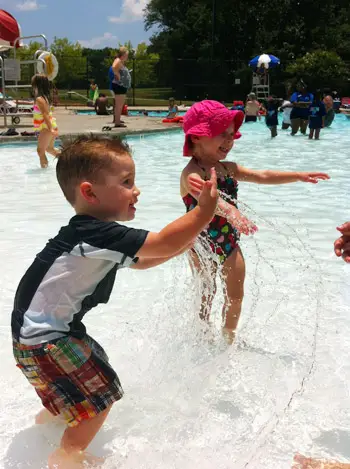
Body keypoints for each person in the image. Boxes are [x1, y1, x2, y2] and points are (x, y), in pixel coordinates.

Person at [12, 135, 218, 469]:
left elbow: (148, 258)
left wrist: (187, 242)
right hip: (48, 339)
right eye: (126, 182)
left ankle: (44, 435)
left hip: (35, 338)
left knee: (84, 382)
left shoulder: (90, 235)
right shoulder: (97, 233)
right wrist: (203, 212)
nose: (136, 190)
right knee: (100, 399)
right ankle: (66, 457)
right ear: (89, 192)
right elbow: (163, 242)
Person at [180, 100, 330, 343]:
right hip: (201, 244)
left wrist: (298, 176)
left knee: (236, 295)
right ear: (197, 136)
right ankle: (201, 335)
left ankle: (228, 339)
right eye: (222, 134)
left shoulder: (227, 168)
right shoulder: (192, 174)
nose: (229, 141)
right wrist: (231, 212)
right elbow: (209, 200)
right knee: (207, 292)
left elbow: (262, 176)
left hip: (229, 241)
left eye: (232, 135)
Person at [32, 73, 60, 168]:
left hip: (46, 127)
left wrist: (50, 129)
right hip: (49, 125)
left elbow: (45, 114)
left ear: (37, 85)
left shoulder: (40, 99)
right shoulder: (44, 97)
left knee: (40, 151)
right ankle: (66, 159)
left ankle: (43, 171)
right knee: (49, 149)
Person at [111, 47, 131, 128]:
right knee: (119, 105)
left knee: (119, 105)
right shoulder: (118, 60)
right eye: (126, 55)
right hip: (119, 85)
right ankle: (117, 122)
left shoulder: (120, 61)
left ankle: (117, 121)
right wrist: (117, 75)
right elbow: (113, 67)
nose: (127, 56)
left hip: (120, 86)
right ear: (123, 54)